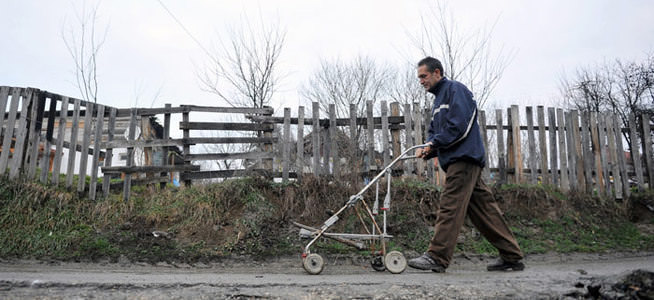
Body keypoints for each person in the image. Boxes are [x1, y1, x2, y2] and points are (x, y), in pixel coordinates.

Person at [407, 56, 525, 273]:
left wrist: (435, 142)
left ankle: (437, 256)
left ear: (437, 73)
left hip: (463, 158)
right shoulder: (437, 100)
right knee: (485, 212)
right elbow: (435, 129)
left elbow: (460, 125)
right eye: (419, 78)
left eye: (424, 76)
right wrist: (429, 146)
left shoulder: (456, 90)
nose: (421, 81)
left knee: (450, 206)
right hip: (458, 161)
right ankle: (512, 256)